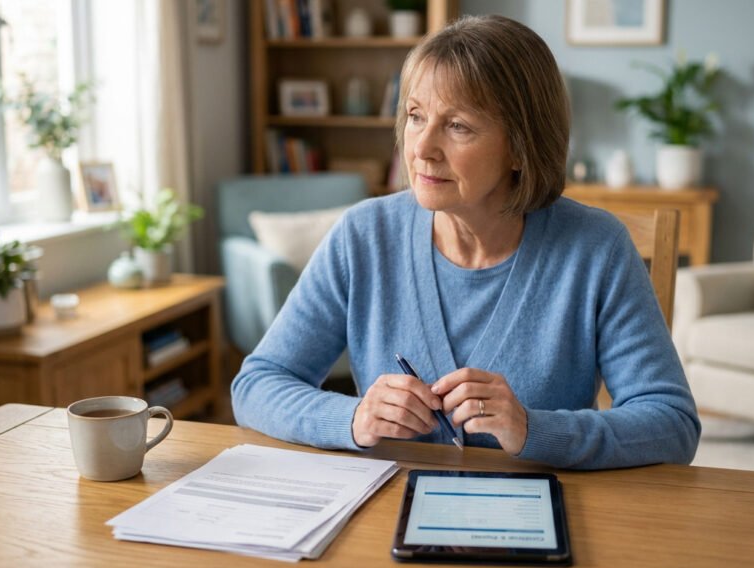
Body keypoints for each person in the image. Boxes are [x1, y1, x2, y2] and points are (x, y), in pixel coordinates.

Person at [232, 15, 700, 469]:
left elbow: (671, 423)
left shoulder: (597, 249)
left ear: (521, 146)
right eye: (416, 116)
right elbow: (256, 385)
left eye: (457, 126)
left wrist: (534, 430)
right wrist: (353, 418)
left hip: (539, 525)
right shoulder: (363, 235)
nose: (420, 148)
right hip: (384, 522)